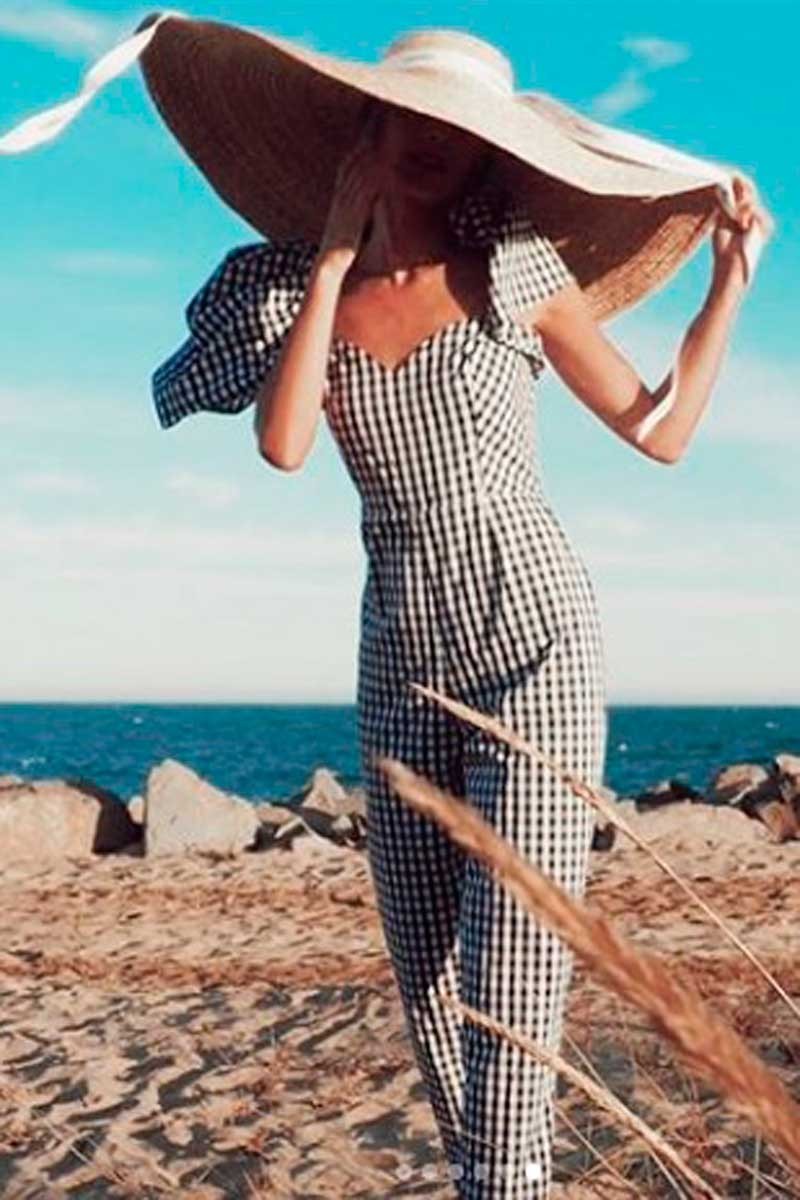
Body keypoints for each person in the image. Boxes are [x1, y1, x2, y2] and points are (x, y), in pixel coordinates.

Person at [0, 18, 772, 1197]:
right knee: (429, 981)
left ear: (487, 155)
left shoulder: (512, 267)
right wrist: (326, 263)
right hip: (400, 658)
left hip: (536, 641)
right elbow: (283, 446)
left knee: (513, 962)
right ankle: (487, 1178)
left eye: (461, 132)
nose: (432, 142)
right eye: (411, 114)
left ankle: (504, 1183)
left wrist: (725, 283)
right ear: (363, 124)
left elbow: (658, 430)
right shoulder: (279, 291)